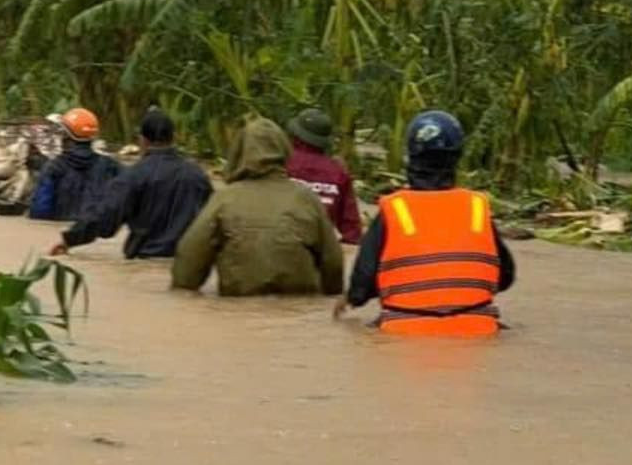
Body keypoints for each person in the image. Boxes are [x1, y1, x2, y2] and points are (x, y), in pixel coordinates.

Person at [334, 110, 516, 336]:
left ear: (411, 155)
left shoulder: (394, 210)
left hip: (403, 330)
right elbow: (506, 276)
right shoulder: (477, 207)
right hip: (478, 328)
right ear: (457, 156)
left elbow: (363, 280)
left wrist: (352, 299)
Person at [172, 117, 344, 297]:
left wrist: (184, 289)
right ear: (284, 151)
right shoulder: (307, 199)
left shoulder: (224, 199)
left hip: (238, 307)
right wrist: (330, 297)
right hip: (299, 306)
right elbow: (333, 264)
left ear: (239, 153)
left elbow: (188, 262)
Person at [50, 110, 212, 258]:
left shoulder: (133, 176)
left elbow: (104, 217)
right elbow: (213, 221)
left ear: (142, 140)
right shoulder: (197, 175)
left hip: (144, 260)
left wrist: (69, 239)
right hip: (187, 263)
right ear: (174, 137)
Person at [29, 107, 121, 221]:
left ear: (65, 135)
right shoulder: (111, 166)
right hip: (96, 231)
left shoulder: (53, 168)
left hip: (64, 234)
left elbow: (40, 211)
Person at [285, 108, 362, 244]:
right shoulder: (338, 172)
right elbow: (352, 229)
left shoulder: (282, 163)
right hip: (318, 249)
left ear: (296, 135)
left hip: (279, 242)